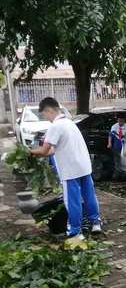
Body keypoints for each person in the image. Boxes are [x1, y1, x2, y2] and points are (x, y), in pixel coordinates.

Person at [30, 97, 102, 240]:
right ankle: (96, 223)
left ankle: (76, 232)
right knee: (89, 196)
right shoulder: (70, 123)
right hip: (84, 167)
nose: (46, 118)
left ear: (49, 110)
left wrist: (31, 152)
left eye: (44, 115)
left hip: (70, 170)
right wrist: (38, 154)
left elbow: (44, 151)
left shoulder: (55, 126)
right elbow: (54, 150)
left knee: (72, 201)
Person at [107, 113, 126, 180]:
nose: (120, 122)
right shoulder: (114, 126)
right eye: (119, 120)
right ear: (117, 120)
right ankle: (116, 176)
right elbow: (110, 135)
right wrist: (109, 143)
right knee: (117, 160)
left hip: (124, 147)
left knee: (122, 161)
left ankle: (122, 175)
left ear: (124, 120)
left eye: (122, 121)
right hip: (116, 146)